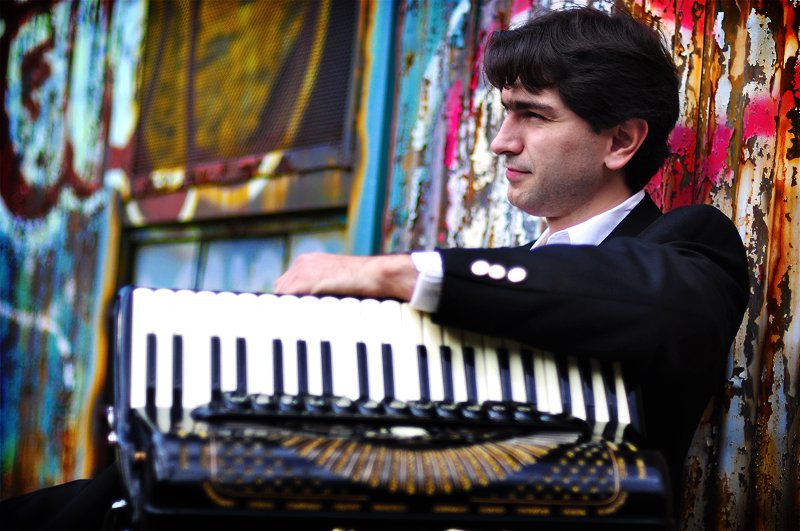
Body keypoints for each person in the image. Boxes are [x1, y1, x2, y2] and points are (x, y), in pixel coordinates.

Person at [274, 5, 749, 515]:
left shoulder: (690, 245)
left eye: (534, 115)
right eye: (506, 111)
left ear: (620, 141)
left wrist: (401, 271)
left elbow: (650, 303)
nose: (501, 142)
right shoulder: (487, 281)